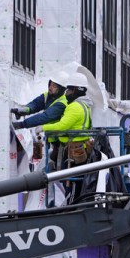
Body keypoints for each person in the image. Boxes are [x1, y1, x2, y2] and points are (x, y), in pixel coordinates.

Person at [42, 72, 93, 200]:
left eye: (69, 90)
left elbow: (61, 126)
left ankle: (71, 206)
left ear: (76, 89)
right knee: (74, 183)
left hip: (73, 151)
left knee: (72, 186)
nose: (67, 93)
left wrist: (42, 128)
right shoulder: (85, 105)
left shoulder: (75, 107)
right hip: (79, 149)